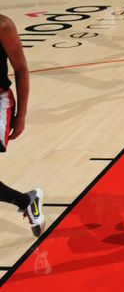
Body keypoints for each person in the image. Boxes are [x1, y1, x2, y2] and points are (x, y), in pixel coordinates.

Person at [0, 14, 45, 237]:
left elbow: (21, 69)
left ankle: (26, 201)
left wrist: (22, 115)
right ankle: (26, 200)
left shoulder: (3, 25)